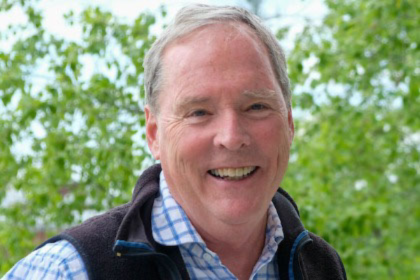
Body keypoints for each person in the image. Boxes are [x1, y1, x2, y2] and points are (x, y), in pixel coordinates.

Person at [3, 4, 346, 280]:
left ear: (288, 122)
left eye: (256, 106)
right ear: (154, 134)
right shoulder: (69, 271)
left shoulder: (319, 266)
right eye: (199, 112)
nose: (231, 137)